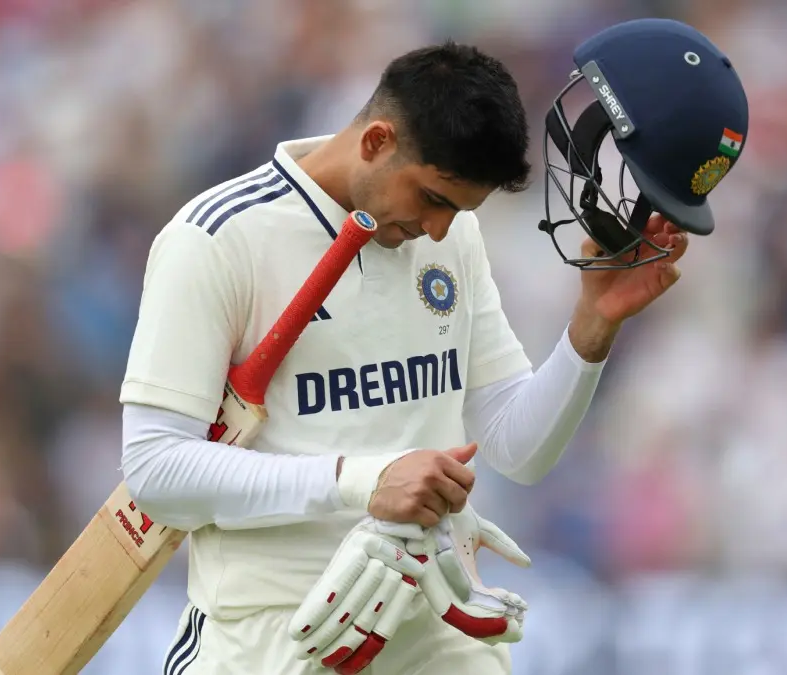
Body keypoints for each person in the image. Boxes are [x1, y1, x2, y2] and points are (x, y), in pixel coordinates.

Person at [119, 17, 747, 675]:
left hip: (430, 622)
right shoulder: (216, 239)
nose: (439, 230)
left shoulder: (447, 238)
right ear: (378, 140)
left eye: (461, 212)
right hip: (272, 635)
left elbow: (517, 447)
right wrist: (362, 482)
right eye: (433, 198)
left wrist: (592, 327)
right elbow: (157, 470)